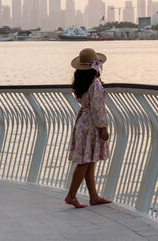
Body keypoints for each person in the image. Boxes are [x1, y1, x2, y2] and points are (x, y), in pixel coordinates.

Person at [65, 48, 113, 208]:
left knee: (90, 160)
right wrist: (103, 128)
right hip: (92, 124)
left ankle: (94, 196)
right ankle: (71, 195)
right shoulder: (95, 84)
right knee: (85, 162)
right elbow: (98, 107)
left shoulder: (80, 83)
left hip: (82, 122)